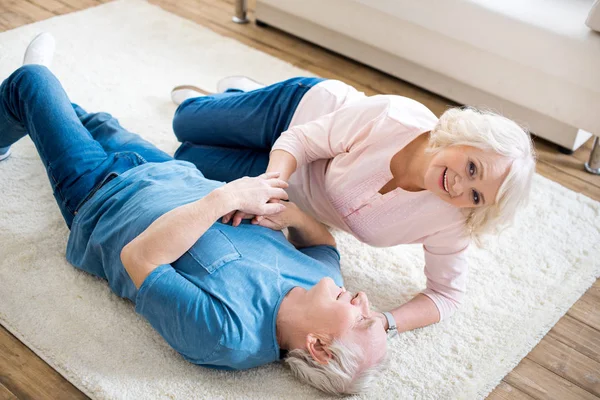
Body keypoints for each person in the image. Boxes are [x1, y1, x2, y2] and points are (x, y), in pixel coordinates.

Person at [0, 34, 388, 395]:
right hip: (171, 173)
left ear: (317, 346)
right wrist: (293, 217)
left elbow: (138, 258)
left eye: (361, 320)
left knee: (31, 84)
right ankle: (45, 114)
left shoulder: (225, 335)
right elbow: (323, 241)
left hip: (102, 197)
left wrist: (227, 197)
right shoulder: (324, 278)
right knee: (99, 123)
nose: (362, 299)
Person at [169, 74, 536, 335]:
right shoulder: (393, 116)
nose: (460, 186)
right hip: (298, 114)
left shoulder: (452, 222)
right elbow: (300, 141)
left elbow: (446, 295)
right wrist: (268, 185)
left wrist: (387, 321)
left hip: (296, 186)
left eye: (476, 195)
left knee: (187, 154)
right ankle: (244, 92)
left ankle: (239, 105)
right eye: (472, 167)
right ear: (466, 138)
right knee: (183, 122)